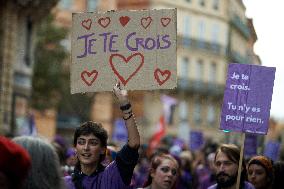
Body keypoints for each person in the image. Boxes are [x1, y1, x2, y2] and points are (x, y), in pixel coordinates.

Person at [64, 82, 140, 189]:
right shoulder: (64, 184)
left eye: (93, 143)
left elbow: (134, 143)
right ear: (75, 148)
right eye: (81, 142)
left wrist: (124, 104)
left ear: (102, 149)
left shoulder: (113, 175)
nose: (86, 148)